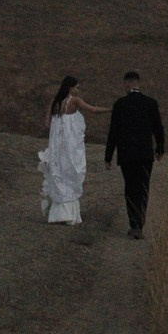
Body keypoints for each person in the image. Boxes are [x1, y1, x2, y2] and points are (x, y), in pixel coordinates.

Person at [103, 70, 165, 239]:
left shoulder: (120, 104)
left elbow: (113, 132)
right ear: (138, 83)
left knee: (130, 188)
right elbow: (158, 128)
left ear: (127, 84)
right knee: (143, 187)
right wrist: (160, 148)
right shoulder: (150, 103)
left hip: (127, 154)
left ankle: (134, 224)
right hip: (145, 154)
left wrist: (108, 156)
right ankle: (140, 222)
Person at [40, 75, 105, 224]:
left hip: (57, 144)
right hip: (69, 144)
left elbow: (47, 123)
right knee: (72, 169)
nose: (78, 90)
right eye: (76, 87)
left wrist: (58, 129)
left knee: (59, 171)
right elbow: (93, 110)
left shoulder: (55, 101)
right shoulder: (74, 100)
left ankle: (57, 212)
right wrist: (111, 109)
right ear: (70, 87)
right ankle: (69, 212)